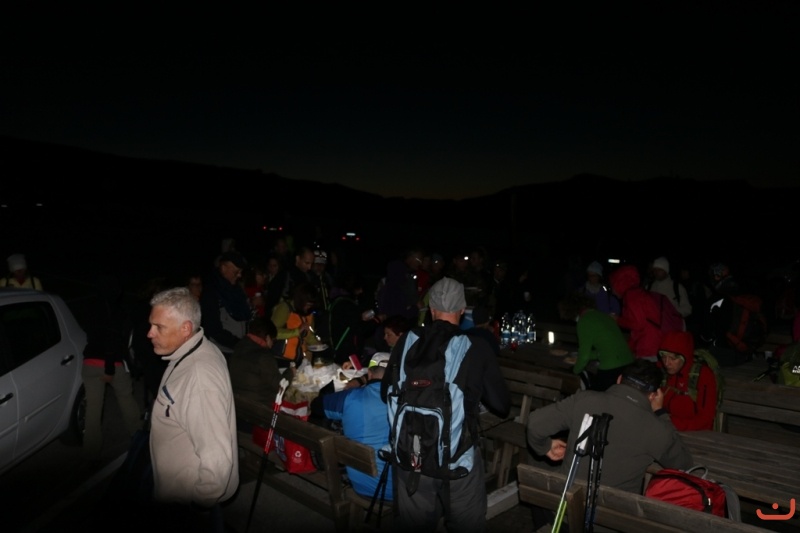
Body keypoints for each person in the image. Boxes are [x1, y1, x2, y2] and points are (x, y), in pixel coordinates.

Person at [381, 276, 510, 533]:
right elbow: (502, 405)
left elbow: (386, 392)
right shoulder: (476, 346)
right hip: (457, 460)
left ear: (431, 309)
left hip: (411, 455)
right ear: (462, 310)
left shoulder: (407, 340)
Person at [526, 359, 693, 497]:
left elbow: (535, 424)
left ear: (619, 379)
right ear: (653, 395)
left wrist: (546, 446)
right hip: (613, 519)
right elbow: (684, 465)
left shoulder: (583, 399)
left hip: (563, 506)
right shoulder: (658, 429)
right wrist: (661, 414)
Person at [147, 286, 238, 531]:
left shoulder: (198, 377)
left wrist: (198, 506)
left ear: (186, 328)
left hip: (188, 504)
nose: (150, 333)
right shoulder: (191, 350)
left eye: (159, 327)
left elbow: (217, 459)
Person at [310, 352, 394, 502]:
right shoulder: (404, 400)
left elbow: (316, 405)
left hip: (361, 486)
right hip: (397, 491)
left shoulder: (350, 397)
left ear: (369, 374)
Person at [81, 273, 142, 459]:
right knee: (126, 398)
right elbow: (111, 340)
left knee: (93, 410)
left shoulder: (90, 308)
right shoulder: (117, 311)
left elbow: (92, 335)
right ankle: (139, 437)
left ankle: (91, 454)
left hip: (89, 363)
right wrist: (109, 369)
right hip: (110, 364)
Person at [558, 292, 634, 391]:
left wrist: (574, 372)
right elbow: (607, 347)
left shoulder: (584, 321)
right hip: (628, 363)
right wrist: (590, 355)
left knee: (595, 395)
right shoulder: (603, 316)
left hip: (611, 367)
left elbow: (584, 356)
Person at [658, 330, 717, 431]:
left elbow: (706, 419)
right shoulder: (662, 371)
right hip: (667, 426)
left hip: (694, 432)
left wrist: (670, 424)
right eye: (664, 357)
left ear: (684, 357)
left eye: (673, 358)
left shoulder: (703, 375)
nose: (667, 363)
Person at [200, 250, 251, 357]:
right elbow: (213, 329)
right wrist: (239, 344)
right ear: (223, 268)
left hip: (237, 351)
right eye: (236, 272)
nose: (239, 275)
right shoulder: (212, 293)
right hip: (220, 353)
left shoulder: (236, 291)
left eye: (240, 272)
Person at [609, 263, 662, 361]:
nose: (613, 291)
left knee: (644, 370)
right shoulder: (638, 293)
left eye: (613, 285)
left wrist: (618, 320)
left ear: (620, 284)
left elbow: (638, 324)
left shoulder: (632, 296)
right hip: (652, 342)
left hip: (648, 346)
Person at [228, 316, 282, 410]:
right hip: (258, 408)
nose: (272, 345)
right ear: (267, 338)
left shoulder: (239, 347)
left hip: (236, 404)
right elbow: (279, 386)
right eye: (273, 340)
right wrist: (290, 373)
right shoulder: (264, 356)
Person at [271, 281, 322, 365]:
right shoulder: (285, 308)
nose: (308, 307)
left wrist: (317, 344)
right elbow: (272, 332)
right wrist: (297, 331)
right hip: (281, 359)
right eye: (308, 304)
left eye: (311, 305)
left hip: (300, 360)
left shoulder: (308, 313)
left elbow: (308, 335)